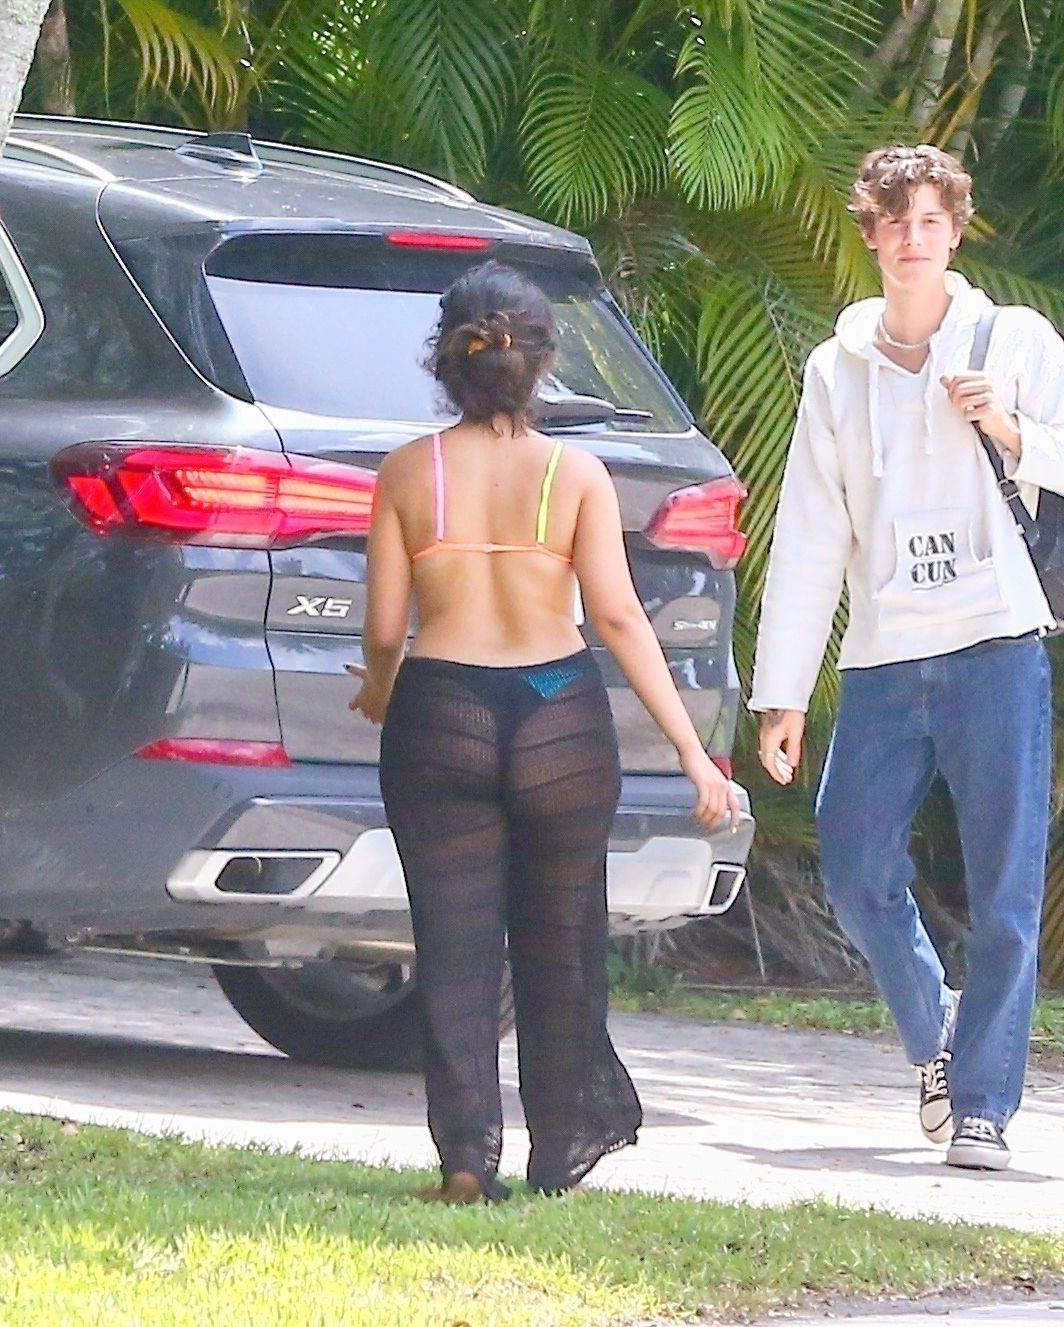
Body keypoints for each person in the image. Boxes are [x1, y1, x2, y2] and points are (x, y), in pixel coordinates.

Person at [749, 145, 1064, 1172]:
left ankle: (983, 1106)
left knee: (1006, 888)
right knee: (852, 865)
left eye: (930, 221)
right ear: (870, 235)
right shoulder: (835, 371)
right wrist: (782, 693)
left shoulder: (1015, 339)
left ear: (955, 233)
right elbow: (810, 532)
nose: (911, 239)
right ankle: (937, 1032)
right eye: (894, 221)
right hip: (883, 654)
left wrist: (1010, 427)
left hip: (996, 644)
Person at [347, 261, 738, 1202]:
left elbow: (385, 628)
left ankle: (464, 1156)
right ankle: (558, 1151)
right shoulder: (576, 472)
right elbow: (619, 618)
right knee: (560, 938)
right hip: (558, 709)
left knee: (454, 939)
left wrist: (381, 689)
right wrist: (693, 753)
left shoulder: (408, 471)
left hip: (441, 707)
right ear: (543, 361)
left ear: (445, 360)